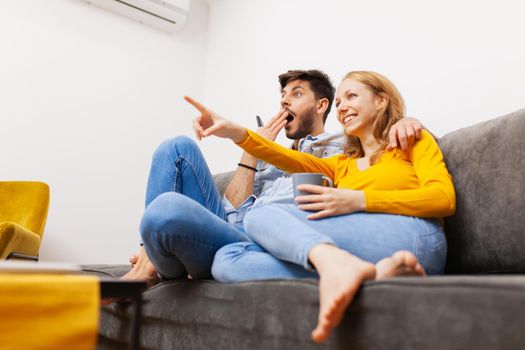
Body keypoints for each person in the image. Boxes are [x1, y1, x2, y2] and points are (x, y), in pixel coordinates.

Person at [185, 70, 456, 343]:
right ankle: (362, 273)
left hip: (416, 238)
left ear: (381, 101)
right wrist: (232, 130)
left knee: (261, 213)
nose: (342, 107)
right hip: (371, 251)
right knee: (227, 261)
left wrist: (358, 200)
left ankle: (335, 264)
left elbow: (443, 198)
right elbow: (283, 156)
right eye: (338, 102)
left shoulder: (411, 140)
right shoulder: (342, 165)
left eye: (352, 96)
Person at [123, 70, 424, 285]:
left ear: (322, 106)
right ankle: (148, 254)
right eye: (282, 95)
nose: (284, 102)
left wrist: (408, 120)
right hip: (231, 229)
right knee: (176, 148)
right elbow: (231, 211)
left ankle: (159, 260)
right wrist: (252, 153)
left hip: (276, 236)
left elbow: (386, 143)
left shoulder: (342, 146)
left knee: (171, 213)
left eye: (296, 94)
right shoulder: (269, 155)